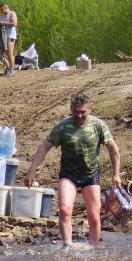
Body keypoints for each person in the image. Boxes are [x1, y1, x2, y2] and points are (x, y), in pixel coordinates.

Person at [24, 94, 121, 246]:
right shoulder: (63, 126)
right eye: (75, 111)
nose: (79, 115)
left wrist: (116, 174)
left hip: (90, 175)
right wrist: (31, 170)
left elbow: (113, 149)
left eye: (83, 112)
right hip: (68, 175)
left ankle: (93, 248)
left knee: (94, 217)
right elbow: (44, 147)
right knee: (64, 210)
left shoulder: (98, 125)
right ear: (71, 109)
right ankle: (67, 247)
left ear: (89, 109)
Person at [0, 2, 17, 77]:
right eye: (0, 10)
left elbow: (14, 23)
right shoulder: (3, 17)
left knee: (9, 52)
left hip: (10, 36)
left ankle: (12, 70)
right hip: (3, 37)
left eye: (2, 10)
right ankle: (8, 66)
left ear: (6, 7)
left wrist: (2, 23)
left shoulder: (12, 13)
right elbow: (2, 25)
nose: (1, 12)